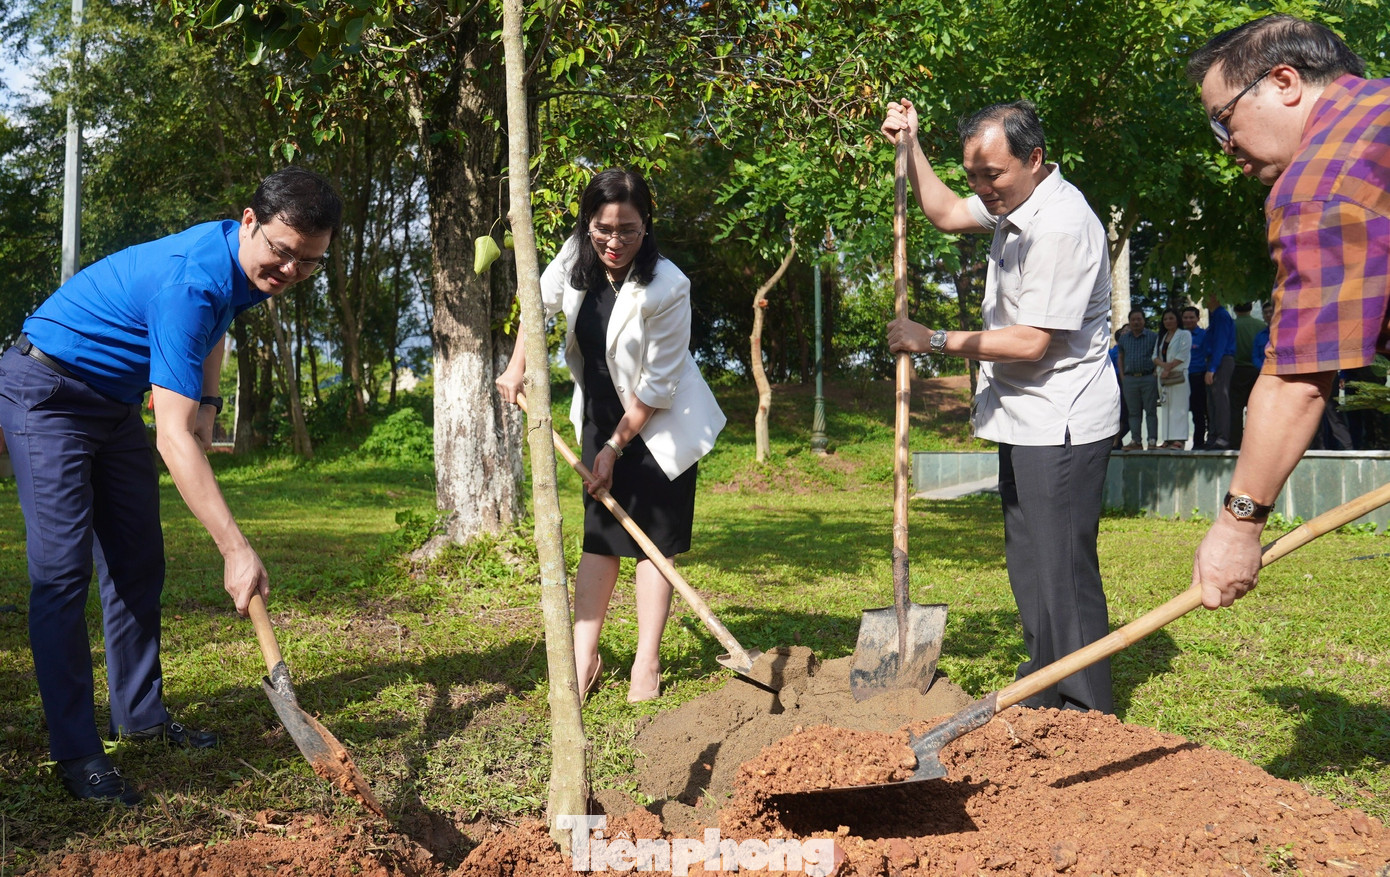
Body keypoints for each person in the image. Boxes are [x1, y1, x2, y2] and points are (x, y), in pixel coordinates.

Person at [0, 167, 341, 806]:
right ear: (249, 221)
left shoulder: (246, 263)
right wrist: (236, 549)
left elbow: (220, 319)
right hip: (45, 392)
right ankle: (77, 752)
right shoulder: (192, 278)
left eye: (309, 262)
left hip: (111, 401)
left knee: (137, 560)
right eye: (283, 252)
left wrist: (209, 396)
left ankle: (140, 716)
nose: (291, 270)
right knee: (61, 574)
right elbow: (172, 437)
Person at [880, 98, 1120, 713]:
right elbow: (939, 211)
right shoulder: (1014, 205)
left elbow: (1030, 342)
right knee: (1032, 561)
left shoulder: (1060, 223)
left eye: (994, 175)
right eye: (975, 177)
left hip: (1062, 418)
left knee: (1062, 567)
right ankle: (1044, 682)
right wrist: (910, 145)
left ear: (1034, 160)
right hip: (1026, 417)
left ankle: (1088, 708)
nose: (983, 189)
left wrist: (932, 340)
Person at [495, 169, 726, 705]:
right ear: (587, 223)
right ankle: (585, 657)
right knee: (600, 541)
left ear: (647, 225)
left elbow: (655, 388)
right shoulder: (578, 253)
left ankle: (646, 662)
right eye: (603, 228)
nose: (614, 242)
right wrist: (515, 368)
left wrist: (615, 449)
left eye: (628, 230)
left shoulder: (669, 286)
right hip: (601, 413)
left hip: (659, 423)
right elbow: (536, 305)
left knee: (655, 545)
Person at [1186, 14, 1388, 608]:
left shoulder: (1321, 183)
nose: (1226, 149)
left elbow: (1300, 378)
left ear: (1284, 82)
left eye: (1224, 120)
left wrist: (1238, 525)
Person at [1117, 309, 1159, 449]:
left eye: (1139, 319)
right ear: (1129, 321)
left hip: (1148, 377)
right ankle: (1136, 441)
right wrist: (1122, 376)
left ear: (1144, 320)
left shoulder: (1153, 337)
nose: (1136, 322)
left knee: (1151, 411)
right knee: (1133, 413)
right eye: (1133, 319)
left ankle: (1152, 441)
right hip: (1130, 379)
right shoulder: (1124, 338)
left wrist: (1155, 372)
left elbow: (1159, 355)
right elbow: (1121, 357)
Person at [1153, 308, 1193, 449]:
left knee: (1179, 408)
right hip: (1163, 377)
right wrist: (1163, 367)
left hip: (1178, 375)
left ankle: (1179, 439)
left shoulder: (1184, 334)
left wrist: (1168, 368)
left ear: (1177, 320)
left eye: (1171, 318)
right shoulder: (1162, 337)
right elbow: (1154, 357)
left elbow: (1182, 355)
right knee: (1166, 408)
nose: (1168, 321)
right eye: (1165, 319)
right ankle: (1167, 439)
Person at [1202, 295, 1236, 449]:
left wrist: (1212, 368)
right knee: (1212, 401)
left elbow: (1220, 343)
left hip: (1221, 361)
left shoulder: (1221, 315)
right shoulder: (1215, 316)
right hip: (1214, 361)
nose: (1204, 298)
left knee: (1220, 400)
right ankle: (1213, 436)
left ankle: (1222, 438)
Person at [1229, 302, 1264, 448]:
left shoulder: (1231, 326)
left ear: (1234, 308)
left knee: (1235, 409)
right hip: (1258, 371)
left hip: (1236, 370)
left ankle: (1236, 442)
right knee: (1256, 408)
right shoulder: (1261, 326)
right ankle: (1256, 442)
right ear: (1251, 308)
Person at [1183, 306, 1210, 447]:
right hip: (1181, 379)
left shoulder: (1204, 335)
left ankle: (1200, 442)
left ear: (1198, 319)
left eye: (1191, 317)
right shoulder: (1179, 335)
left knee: (1200, 411)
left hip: (1198, 377)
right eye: (1185, 317)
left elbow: (1208, 355)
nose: (1188, 320)